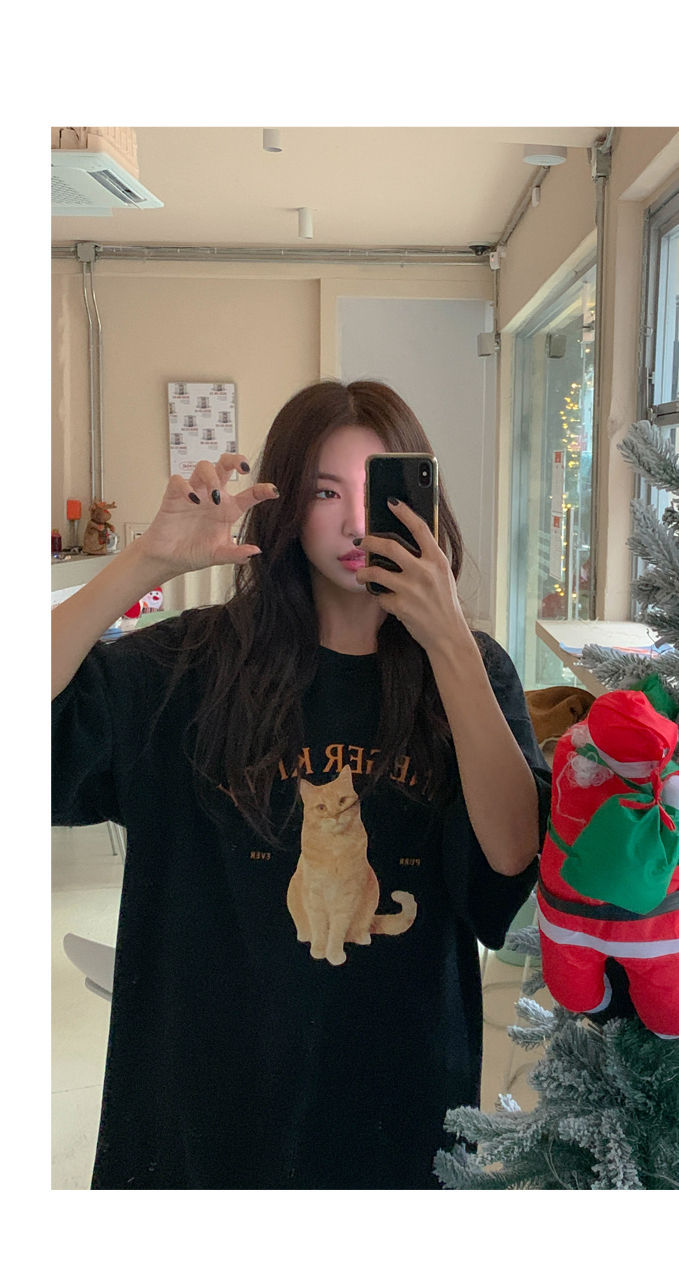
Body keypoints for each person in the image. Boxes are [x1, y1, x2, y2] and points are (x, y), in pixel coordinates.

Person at [52, 379, 551, 1190]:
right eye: (325, 492)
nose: (356, 522)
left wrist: (450, 640)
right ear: (285, 504)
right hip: (206, 1111)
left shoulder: (467, 671)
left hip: (399, 1104)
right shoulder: (190, 667)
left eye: (375, 489)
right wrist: (142, 563)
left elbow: (510, 854)